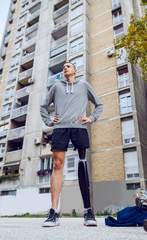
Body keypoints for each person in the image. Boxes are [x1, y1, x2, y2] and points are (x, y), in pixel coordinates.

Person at [40, 62, 103, 227]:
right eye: (64, 67)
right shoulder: (56, 87)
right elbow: (43, 107)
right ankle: (53, 213)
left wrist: (91, 118)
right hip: (60, 128)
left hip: (78, 128)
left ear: (75, 70)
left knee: (82, 163)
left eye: (69, 66)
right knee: (57, 165)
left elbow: (99, 104)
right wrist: (48, 121)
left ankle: (88, 212)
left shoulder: (83, 85)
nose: (65, 68)